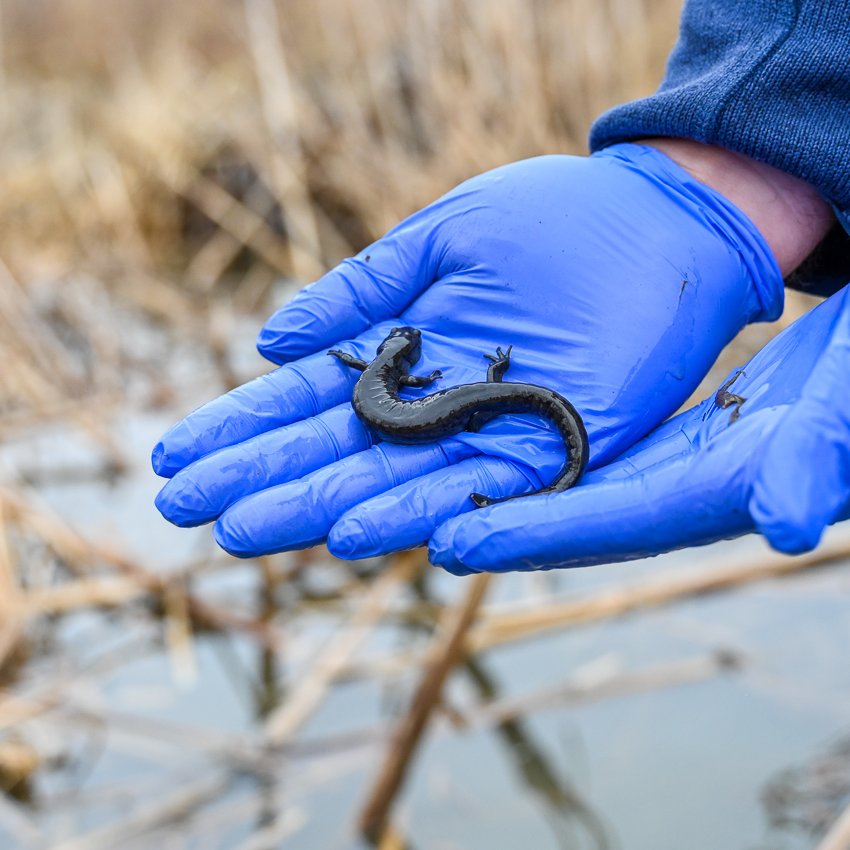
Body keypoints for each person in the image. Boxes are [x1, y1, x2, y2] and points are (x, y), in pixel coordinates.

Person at [152, 0, 850, 573]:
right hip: (463, 402)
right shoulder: (397, 378)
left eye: (394, 351)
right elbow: (407, 393)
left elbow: (394, 391)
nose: (395, 351)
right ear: (391, 362)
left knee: (491, 402)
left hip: (460, 404)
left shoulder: (388, 378)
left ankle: (549, 440)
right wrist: (756, 161)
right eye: (396, 349)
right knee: (495, 398)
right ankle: (548, 436)